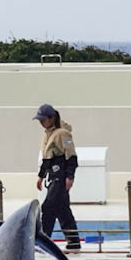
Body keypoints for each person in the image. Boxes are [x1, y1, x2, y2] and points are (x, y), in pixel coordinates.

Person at [34, 103, 81, 251]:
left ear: (52, 118)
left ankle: (43, 241)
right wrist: (41, 176)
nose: (41, 123)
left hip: (60, 175)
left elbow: (71, 155)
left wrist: (70, 176)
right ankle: (73, 241)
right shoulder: (47, 134)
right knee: (62, 209)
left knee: (48, 207)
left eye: (43, 120)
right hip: (52, 174)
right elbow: (47, 159)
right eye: (39, 120)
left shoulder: (62, 134)